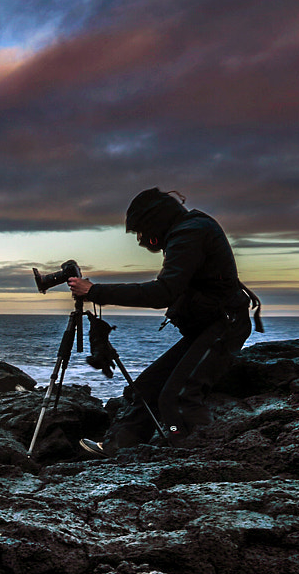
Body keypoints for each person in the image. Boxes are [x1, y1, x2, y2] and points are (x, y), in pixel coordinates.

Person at [66, 187, 257, 454]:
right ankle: (117, 448)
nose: (141, 239)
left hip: (225, 326)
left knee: (178, 396)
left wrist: (95, 291)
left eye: (140, 231)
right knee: (146, 388)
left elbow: (163, 293)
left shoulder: (191, 232)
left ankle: (201, 456)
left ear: (155, 220)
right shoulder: (184, 231)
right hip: (206, 328)